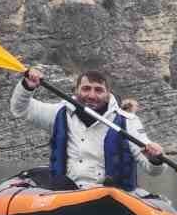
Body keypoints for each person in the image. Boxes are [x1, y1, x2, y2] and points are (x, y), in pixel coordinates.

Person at [10, 66, 165, 190]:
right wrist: (27, 87)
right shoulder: (58, 113)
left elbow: (153, 170)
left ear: (108, 93)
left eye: (98, 90)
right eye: (86, 89)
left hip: (112, 197)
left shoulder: (128, 121)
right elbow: (20, 109)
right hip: (65, 193)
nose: (91, 95)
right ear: (76, 90)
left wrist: (154, 158)